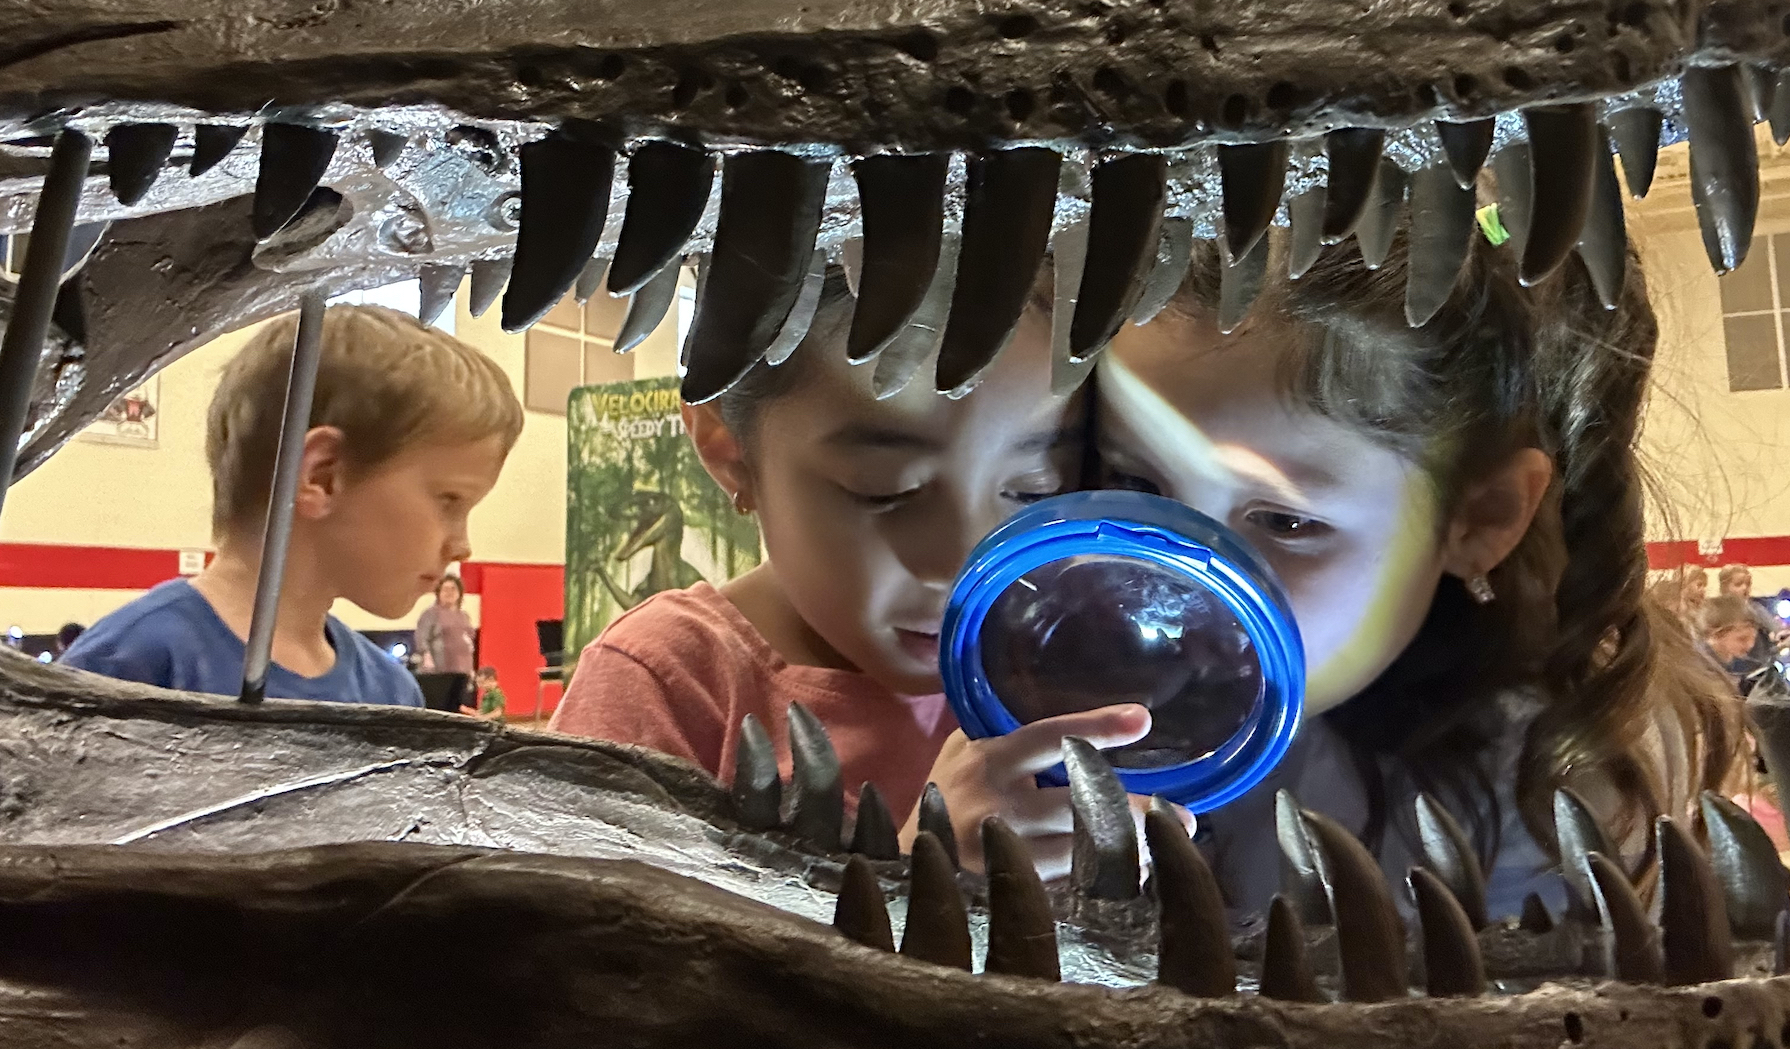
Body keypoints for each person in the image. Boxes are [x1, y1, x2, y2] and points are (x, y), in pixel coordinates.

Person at [1096, 213, 1742, 921]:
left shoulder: (1538, 799)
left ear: (1481, 518)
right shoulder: (1101, 702)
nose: (1179, 589)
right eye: (1140, 488)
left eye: (1285, 522)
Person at [552, 271, 1160, 874]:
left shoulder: (1069, 666)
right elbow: (589, 958)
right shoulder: (667, 683)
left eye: (1033, 491)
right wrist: (912, 882)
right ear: (727, 447)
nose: (963, 564)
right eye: (885, 491)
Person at [67, 304, 522, 704]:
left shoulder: (390, 693)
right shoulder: (127, 668)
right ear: (321, 477)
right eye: (450, 501)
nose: (462, 547)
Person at [1699, 595, 1770, 687]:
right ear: (1716, 635)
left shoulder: (1728, 662)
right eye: (1742, 639)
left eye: (1753, 638)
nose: (1750, 645)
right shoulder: (1702, 667)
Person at [416, 572, 477, 676]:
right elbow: (421, 637)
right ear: (438, 593)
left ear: (459, 593)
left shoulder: (464, 616)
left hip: (463, 670)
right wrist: (427, 657)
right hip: (438, 669)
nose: (449, 592)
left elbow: (469, 641)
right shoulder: (431, 613)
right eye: (445, 589)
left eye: (453, 589)